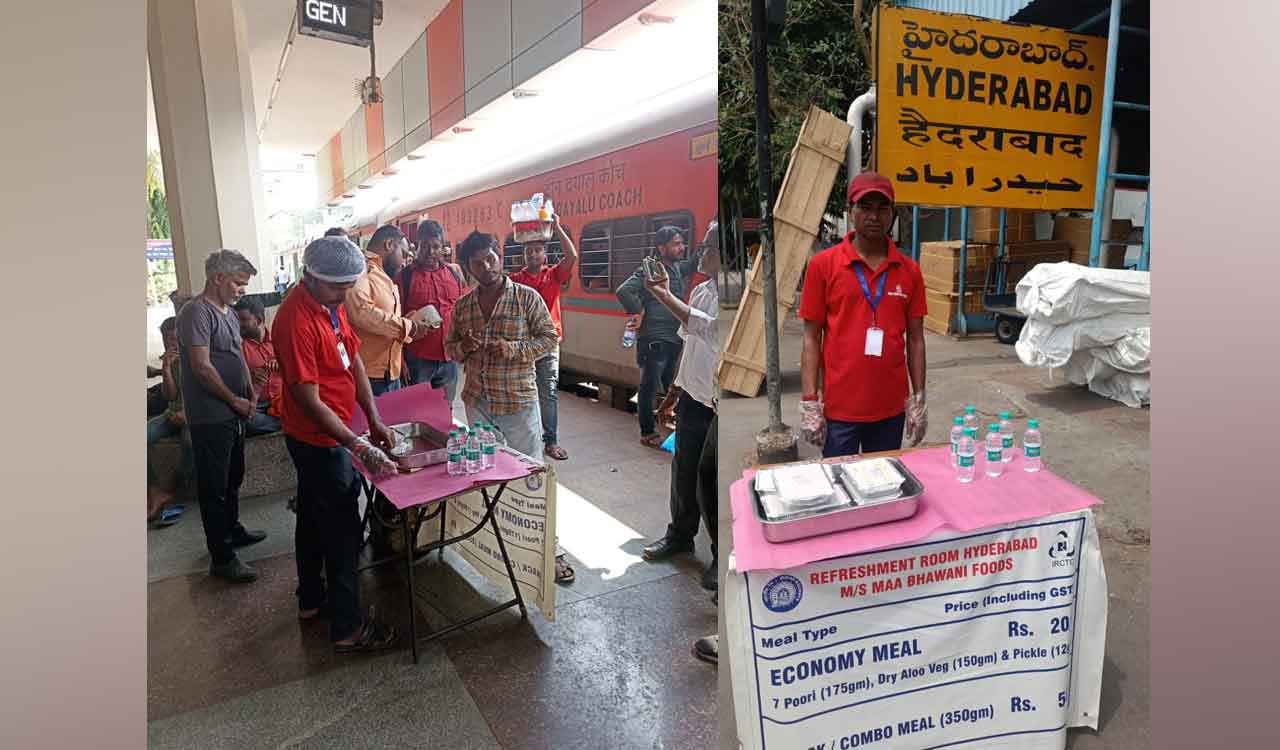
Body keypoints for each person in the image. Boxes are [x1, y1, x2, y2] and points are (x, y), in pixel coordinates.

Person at [272, 235, 400, 654]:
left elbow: (353, 359)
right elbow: (309, 400)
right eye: (336, 287)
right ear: (309, 276)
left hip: (335, 434)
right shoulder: (295, 320)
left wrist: (373, 417)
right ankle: (348, 627)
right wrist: (357, 445)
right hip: (318, 440)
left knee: (312, 518)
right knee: (343, 532)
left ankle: (311, 599)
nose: (344, 295)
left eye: (349, 286)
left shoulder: (330, 304)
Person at [444, 231, 574, 584]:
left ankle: (549, 548)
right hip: (477, 401)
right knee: (489, 472)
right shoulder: (463, 307)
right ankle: (504, 539)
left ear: (499, 257)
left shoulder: (527, 297)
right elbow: (450, 348)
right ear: (468, 267)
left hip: (517, 400)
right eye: (477, 263)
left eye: (491, 259)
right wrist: (464, 348)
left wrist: (514, 349)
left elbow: (549, 338)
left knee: (531, 474)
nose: (486, 267)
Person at [798, 171, 929, 457]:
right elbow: (811, 338)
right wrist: (810, 401)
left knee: (882, 478)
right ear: (850, 211)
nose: (874, 216)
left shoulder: (909, 270)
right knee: (839, 479)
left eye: (882, 208)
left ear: (892, 214)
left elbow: (916, 339)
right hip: (839, 409)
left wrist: (918, 398)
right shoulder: (823, 266)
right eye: (865, 207)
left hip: (890, 409)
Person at [177, 249, 268, 584]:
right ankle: (222, 557)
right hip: (211, 415)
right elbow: (201, 367)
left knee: (233, 477)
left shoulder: (228, 312)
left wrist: (251, 394)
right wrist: (233, 400)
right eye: (238, 283)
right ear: (218, 278)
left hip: (234, 410)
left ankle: (233, 529)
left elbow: (236, 356)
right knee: (214, 487)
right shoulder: (195, 312)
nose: (242, 290)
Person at [640, 223, 721, 594]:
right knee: (684, 470)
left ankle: (721, 553)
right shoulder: (702, 290)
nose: (700, 252)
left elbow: (710, 330)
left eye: (708, 247)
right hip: (692, 397)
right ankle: (680, 535)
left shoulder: (739, 292)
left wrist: (663, 295)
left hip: (719, 403)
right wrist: (674, 391)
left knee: (711, 479)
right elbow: (690, 343)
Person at [615, 226, 695, 447]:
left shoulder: (676, 267)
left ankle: (665, 421)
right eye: (676, 244)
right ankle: (647, 432)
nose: (681, 247)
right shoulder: (651, 269)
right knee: (649, 387)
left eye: (682, 243)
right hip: (654, 338)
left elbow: (693, 264)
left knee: (670, 385)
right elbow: (623, 291)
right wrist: (638, 311)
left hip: (673, 337)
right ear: (661, 248)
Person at [510, 213, 579, 461]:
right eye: (528, 251)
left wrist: (558, 227)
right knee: (524, 392)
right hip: (525, 344)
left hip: (549, 343)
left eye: (537, 250)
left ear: (545, 254)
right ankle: (526, 437)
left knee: (548, 392)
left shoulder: (554, 275)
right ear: (523, 255)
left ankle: (551, 441)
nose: (533, 255)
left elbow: (572, 257)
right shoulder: (515, 280)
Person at [343, 224, 427, 397]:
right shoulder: (361, 268)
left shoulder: (382, 274)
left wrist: (409, 322)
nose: (405, 261)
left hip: (389, 373)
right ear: (389, 245)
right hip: (369, 376)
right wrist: (407, 326)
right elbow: (361, 311)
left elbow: (384, 317)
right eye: (403, 254)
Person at [400, 220, 463, 403]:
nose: (430, 252)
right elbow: (396, 319)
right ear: (417, 246)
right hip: (418, 360)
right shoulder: (405, 277)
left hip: (449, 359)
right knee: (418, 412)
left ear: (442, 247)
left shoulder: (453, 274)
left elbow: (461, 311)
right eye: (425, 246)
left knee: (446, 410)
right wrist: (400, 360)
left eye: (436, 246)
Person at [147, 316, 190, 527]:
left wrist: (187, 415)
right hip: (171, 414)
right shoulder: (172, 360)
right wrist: (165, 368)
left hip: (195, 416)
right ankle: (155, 490)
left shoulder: (196, 357)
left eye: (173, 338)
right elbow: (171, 396)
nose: (169, 344)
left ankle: (176, 487)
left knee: (190, 442)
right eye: (165, 339)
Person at [234, 297, 284, 436]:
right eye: (237, 320)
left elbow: (297, 371)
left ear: (259, 320)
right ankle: (285, 422)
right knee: (246, 422)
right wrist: (249, 377)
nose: (239, 324)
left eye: (244, 319)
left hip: (282, 400)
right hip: (257, 405)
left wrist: (282, 365)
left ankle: (286, 419)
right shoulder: (237, 346)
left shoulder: (280, 340)